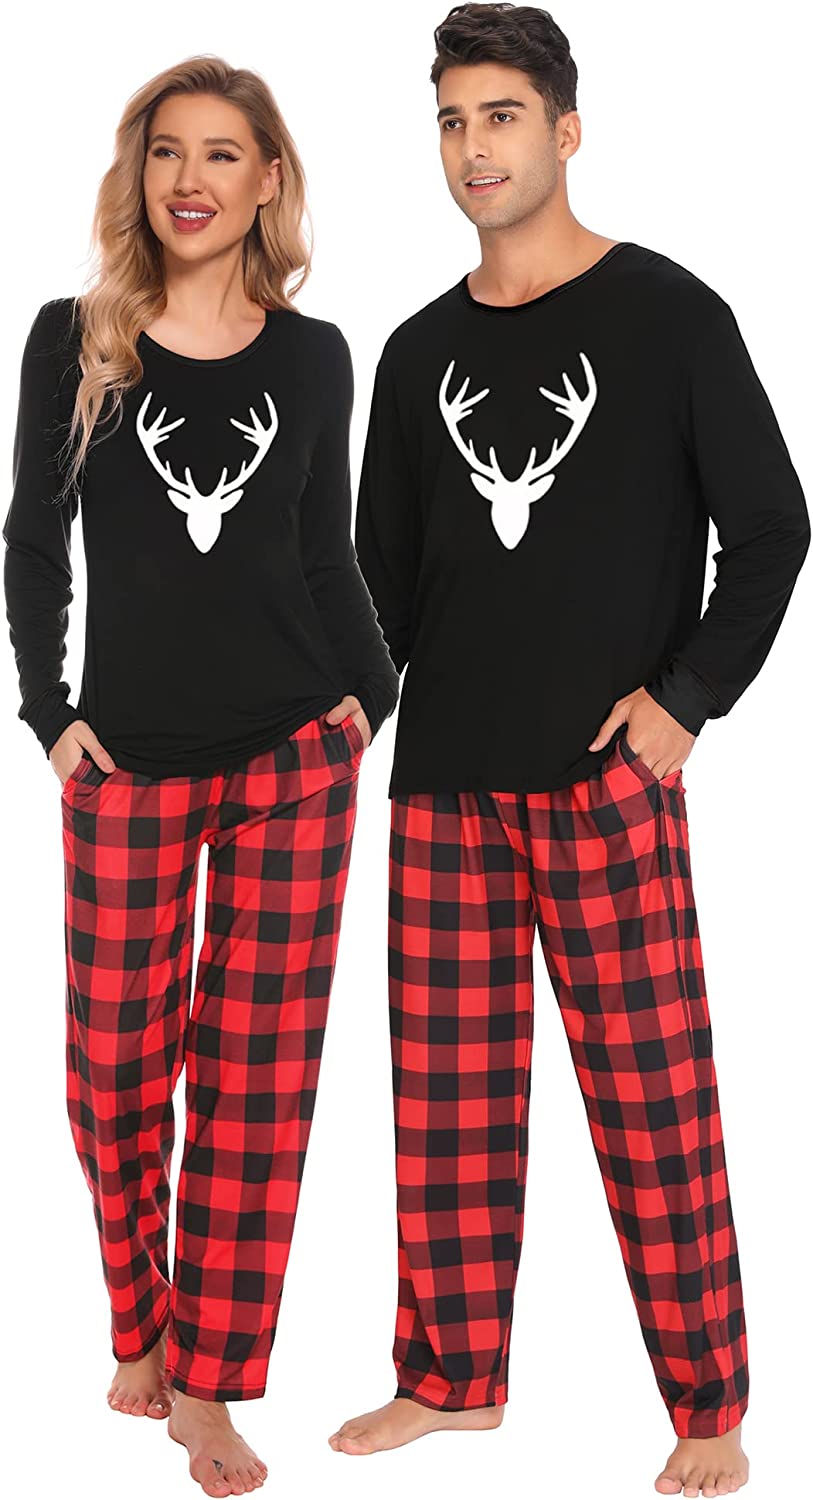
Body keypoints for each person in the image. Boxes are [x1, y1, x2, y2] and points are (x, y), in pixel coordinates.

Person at [330, 5, 810, 1496]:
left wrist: (685, 702)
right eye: (451, 121)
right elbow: (379, 587)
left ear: (565, 130)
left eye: (501, 116)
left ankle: (709, 1410)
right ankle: (450, 1381)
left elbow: (773, 528)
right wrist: (314, 721)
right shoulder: (417, 353)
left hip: (609, 783)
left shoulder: (671, 316)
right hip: (444, 787)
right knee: (447, 1108)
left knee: (656, 1107)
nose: (473, 148)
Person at [3, 55, 398, 1498]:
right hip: (129, 764)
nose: (191, 179)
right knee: (113, 1070)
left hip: (297, 756)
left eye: (223, 153)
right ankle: (141, 1322)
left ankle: (212, 1383)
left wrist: (372, 697)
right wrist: (51, 713)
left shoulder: (315, 355)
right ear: (141, 172)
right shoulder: (76, 340)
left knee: (254, 1083)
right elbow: (34, 537)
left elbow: (323, 548)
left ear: (267, 180)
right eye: (168, 151)